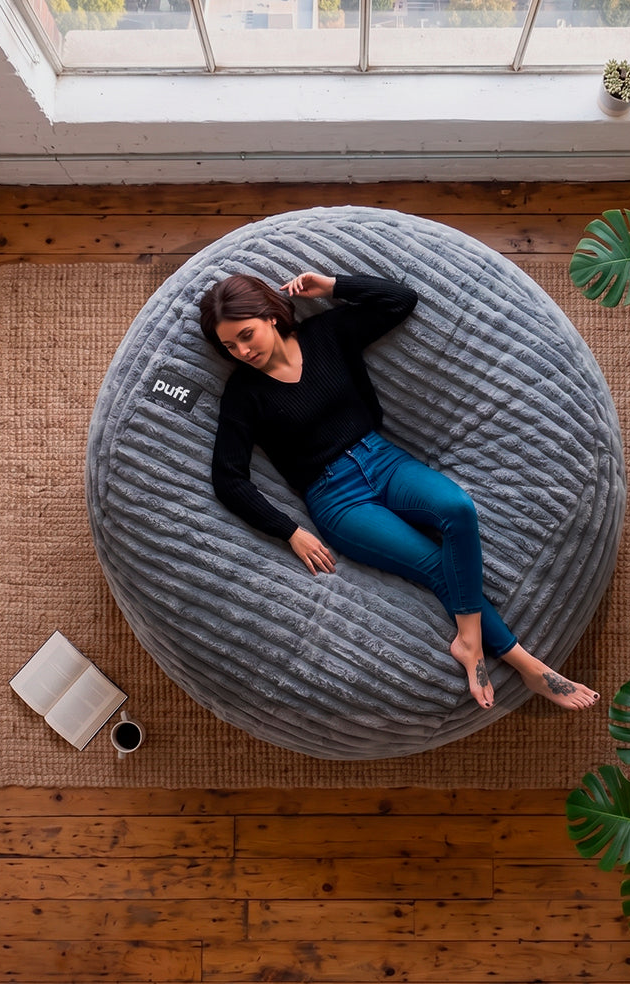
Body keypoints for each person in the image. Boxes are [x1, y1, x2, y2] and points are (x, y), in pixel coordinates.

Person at [199, 269, 599, 713]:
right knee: (432, 564)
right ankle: (526, 664)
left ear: (270, 316)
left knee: (458, 509)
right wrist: (289, 530)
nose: (243, 351)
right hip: (337, 500)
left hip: (384, 460)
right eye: (230, 347)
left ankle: (469, 641)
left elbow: (400, 300)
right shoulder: (242, 393)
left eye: (246, 335)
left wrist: (332, 287)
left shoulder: (326, 333)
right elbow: (228, 478)